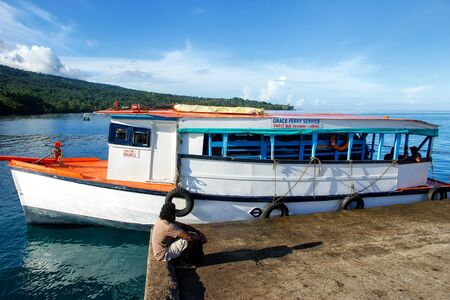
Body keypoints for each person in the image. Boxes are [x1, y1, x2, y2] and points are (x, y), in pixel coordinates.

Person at [151, 203, 207, 268]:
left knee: (187, 234)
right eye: (174, 213)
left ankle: (185, 258)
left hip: (163, 248)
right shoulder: (168, 226)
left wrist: (197, 232)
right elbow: (189, 237)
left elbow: (184, 226)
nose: (175, 215)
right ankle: (180, 263)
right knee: (187, 240)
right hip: (163, 255)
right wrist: (200, 237)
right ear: (171, 215)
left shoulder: (162, 221)